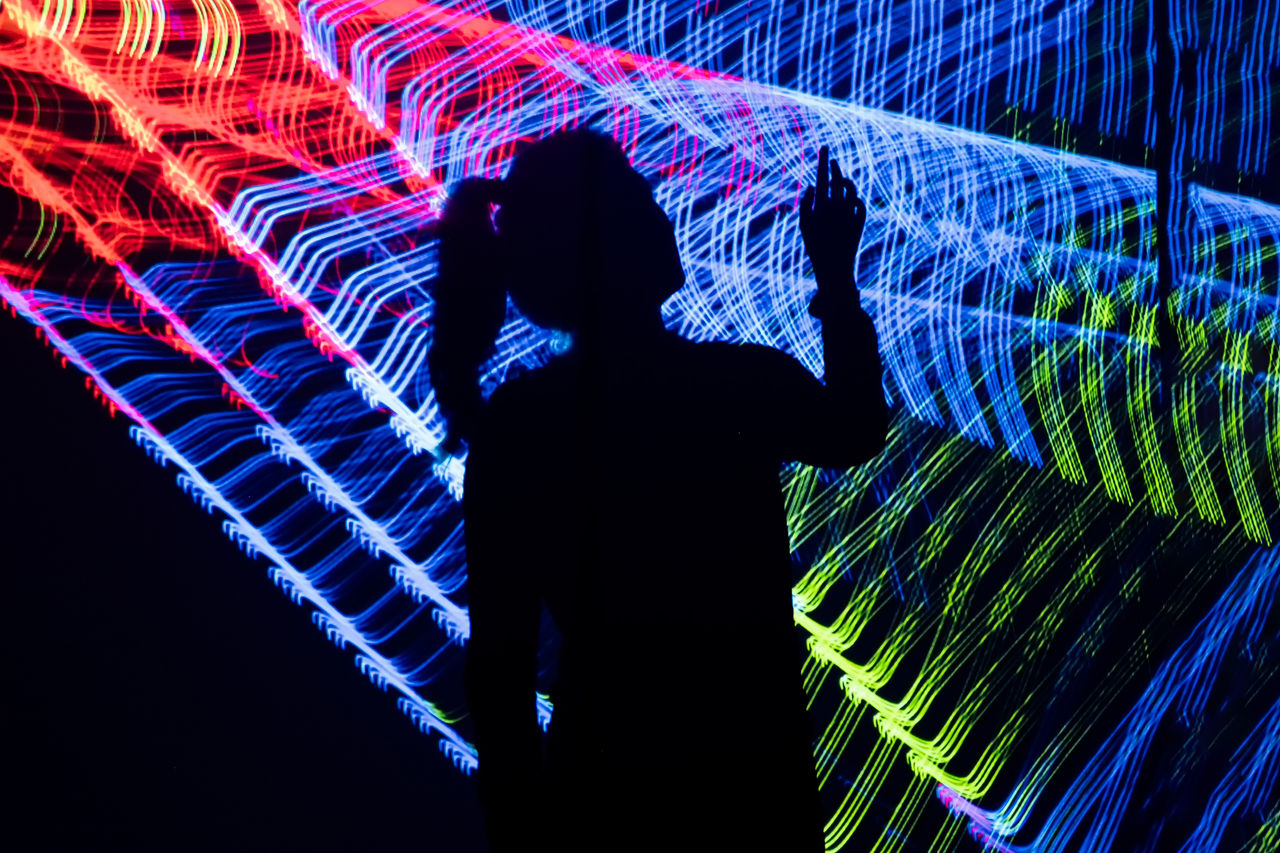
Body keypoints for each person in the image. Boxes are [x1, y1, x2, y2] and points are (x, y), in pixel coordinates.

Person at [430, 127, 887, 853]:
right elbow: (853, 429)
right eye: (641, 200)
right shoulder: (728, 386)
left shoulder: (522, 425)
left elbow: (500, 667)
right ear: (605, 245)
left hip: (603, 794)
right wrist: (834, 277)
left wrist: (516, 829)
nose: (664, 213)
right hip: (751, 789)